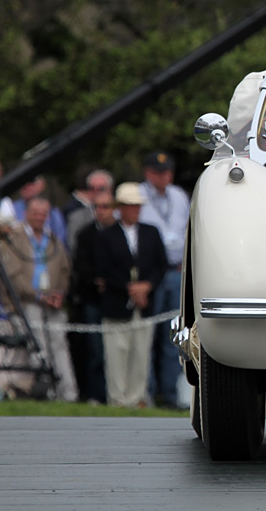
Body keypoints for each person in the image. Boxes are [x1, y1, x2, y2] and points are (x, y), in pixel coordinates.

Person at [0, 197, 79, 401]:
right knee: (38, 343)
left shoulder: (54, 240)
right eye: (35, 213)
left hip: (52, 302)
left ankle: (68, 394)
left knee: (60, 344)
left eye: (43, 214)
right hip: (26, 302)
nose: (39, 217)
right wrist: (39, 296)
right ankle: (45, 390)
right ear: (26, 214)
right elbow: (12, 278)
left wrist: (59, 294)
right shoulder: (14, 239)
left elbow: (65, 272)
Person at [96, 183, 167, 408]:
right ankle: (118, 399)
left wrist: (146, 287)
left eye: (137, 206)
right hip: (117, 302)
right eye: (130, 206)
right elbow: (104, 269)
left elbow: (161, 264)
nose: (135, 210)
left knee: (141, 353)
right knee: (117, 353)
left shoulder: (151, 232)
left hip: (145, 303)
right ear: (120, 208)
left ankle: (137, 397)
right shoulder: (106, 235)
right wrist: (130, 288)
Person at [139, 152, 190, 409]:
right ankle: (146, 393)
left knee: (174, 335)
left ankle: (170, 394)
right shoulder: (138, 195)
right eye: (159, 172)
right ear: (148, 172)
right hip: (150, 274)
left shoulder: (179, 196)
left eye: (168, 171)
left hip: (176, 270)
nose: (165, 176)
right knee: (147, 335)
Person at [71, 190, 118, 404]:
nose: (100, 211)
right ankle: (96, 394)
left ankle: (117, 394)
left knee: (117, 351)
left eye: (105, 206)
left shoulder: (122, 232)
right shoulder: (85, 234)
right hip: (93, 299)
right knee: (96, 351)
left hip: (117, 299)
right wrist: (96, 282)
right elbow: (81, 266)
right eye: (96, 207)